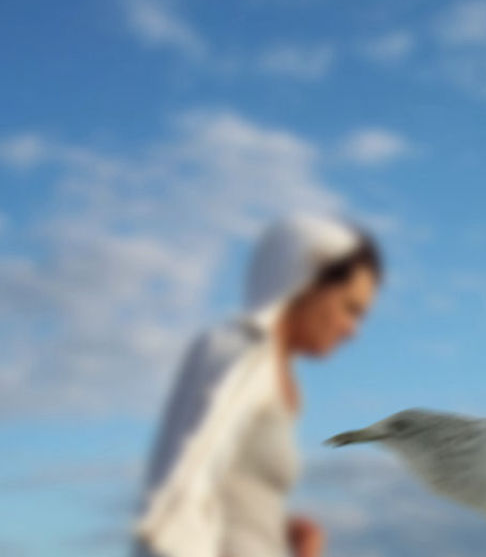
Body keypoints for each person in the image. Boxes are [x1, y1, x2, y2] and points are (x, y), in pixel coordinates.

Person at [130, 212, 383, 557]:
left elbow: (231, 498)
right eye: (349, 308)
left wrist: (280, 528)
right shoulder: (233, 352)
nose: (351, 330)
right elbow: (176, 491)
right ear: (306, 284)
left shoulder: (281, 382)